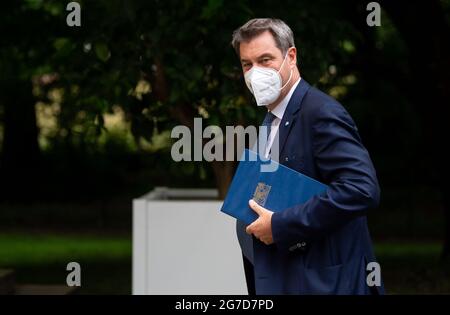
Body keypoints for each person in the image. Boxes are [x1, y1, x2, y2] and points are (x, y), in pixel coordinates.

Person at [232, 18, 384, 295]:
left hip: (327, 284)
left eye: (265, 60)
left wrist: (280, 225)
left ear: (291, 56)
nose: (255, 73)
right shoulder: (271, 118)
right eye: (247, 64)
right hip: (284, 277)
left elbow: (362, 189)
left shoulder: (320, 112)